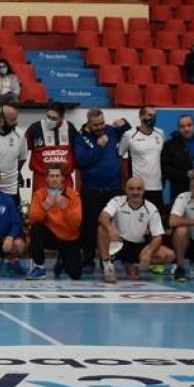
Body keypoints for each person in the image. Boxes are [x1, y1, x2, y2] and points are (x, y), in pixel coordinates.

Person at [74, 107, 131, 272]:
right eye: (96, 125)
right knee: (89, 226)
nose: (100, 127)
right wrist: (98, 147)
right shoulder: (81, 137)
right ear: (89, 123)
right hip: (92, 188)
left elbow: (128, 131)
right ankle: (88, 260)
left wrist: (125, 122)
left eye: (101, 123)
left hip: (112, 187)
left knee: (110, 226)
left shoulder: (111, 131)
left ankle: (107, 259)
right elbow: (81, 160)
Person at [98, 177, 172, 283]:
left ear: (144, 190)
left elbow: (158, 236)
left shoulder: (151, 208)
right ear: (126, 190)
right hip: (118, 244)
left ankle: (133, 265)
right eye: (131, 189)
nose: (135, 192)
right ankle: (107, 267)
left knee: (168, 255)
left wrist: (149, 252)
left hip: (138, 246)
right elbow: (103, 216)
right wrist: (111, 229)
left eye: (138, 189)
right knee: (102, 229)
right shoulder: (117, 201)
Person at [26, 165, 83, 281]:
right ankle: (39, 267)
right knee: (36, 229)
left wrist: (65, 208)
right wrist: (46, 206)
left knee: (75, 274)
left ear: (63, 178)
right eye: (51, 176)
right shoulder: (39, 194)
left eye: (57, 176)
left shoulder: (74, 195)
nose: (55, 179)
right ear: (46, 178)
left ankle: (62, 261)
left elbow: (75, 224)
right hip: (50, 236)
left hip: (69, 237)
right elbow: (33, 219)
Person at [118, 105, 166, 209]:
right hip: (137, 187)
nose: (153, 118)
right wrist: (125, 178)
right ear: (141, 116)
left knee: (156, 219)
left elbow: (162, 157)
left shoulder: (160, 133)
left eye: (154, 115)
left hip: (156, 186)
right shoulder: (129, 135)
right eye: (149, 115)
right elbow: (120, 154)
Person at [24, 102, 79, 193]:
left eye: (54, 118)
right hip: (42, 179)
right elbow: (22, 150)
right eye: (48, 116)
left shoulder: (70, 128)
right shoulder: (35, 128)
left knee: (66, 206)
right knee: (41, 206)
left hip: (64, 178)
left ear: (62, 118)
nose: (50, 120)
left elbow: (78, 150)